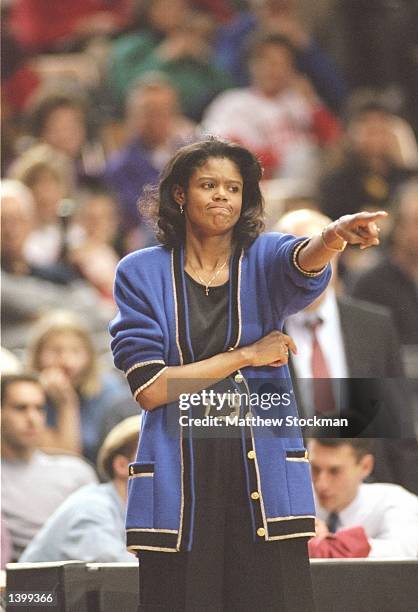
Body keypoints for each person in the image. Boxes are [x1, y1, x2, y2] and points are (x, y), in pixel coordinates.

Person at [109, 137, 386, 611]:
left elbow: (301, 260)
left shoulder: (263, 256)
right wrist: (246, 355)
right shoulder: (139, 272)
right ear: (180, 194)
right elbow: (153, 389)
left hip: (267, 486)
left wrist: (334, 236)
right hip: (180, 493)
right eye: (209, 185)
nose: (222, 196)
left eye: (233, 188)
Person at [276, 208, 418, 493]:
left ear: (338, 253)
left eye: (318, 250)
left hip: (371, 492)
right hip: (290, 494)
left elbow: (398, 430)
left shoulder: (374, 325)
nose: (308, 265)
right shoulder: (258, 332)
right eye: (298, 256)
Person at [202, 33, 341, 182]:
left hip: (306, 184)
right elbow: (221, 151)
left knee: (306, 155)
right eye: (268, 62)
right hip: (257, 184)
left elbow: (334, 140)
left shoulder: (301, 101)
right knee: (300, 155)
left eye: (282, 63)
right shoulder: (232, 102)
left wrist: (312, 103)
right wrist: (275, 158)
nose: (274, 69)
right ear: (252, 65)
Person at [1, 373, 97, 560]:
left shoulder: (76, 471)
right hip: (20, 582)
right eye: (20, 408)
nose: (32, 418)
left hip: (84, 576)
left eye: (40, 408)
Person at [19, 415, 140, 563]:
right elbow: (125, 573)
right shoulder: (92, 508)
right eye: (155, 456)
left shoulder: (128, 513)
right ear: (122, 465)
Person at [27, 310, 138, 463]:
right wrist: (66, 404)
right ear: (37, 355)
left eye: (76, 351)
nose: (67, 362)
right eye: (55, 351)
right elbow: (65, 461)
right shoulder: (27, 396)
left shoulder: (108, 390)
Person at [308, 438, 418, 559]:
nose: (321, 484)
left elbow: (405, 551)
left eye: (335, 471)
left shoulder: (396, 502)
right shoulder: (299, 502)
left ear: (365, 466)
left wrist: (330, 545)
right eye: (315, 469)